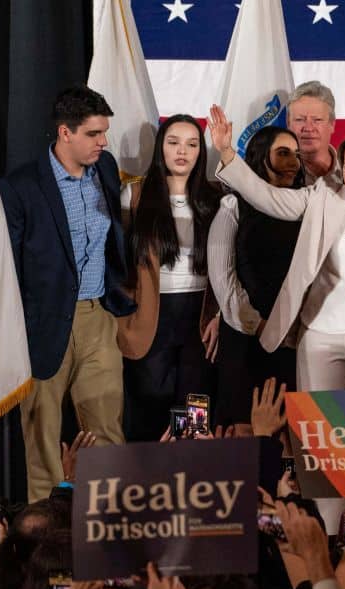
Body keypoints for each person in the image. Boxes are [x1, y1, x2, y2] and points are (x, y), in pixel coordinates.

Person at [208, 109, 345, 532]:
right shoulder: (324, 198)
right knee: (323, 448)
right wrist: (226, 154)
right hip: (319, 335)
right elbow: (270, 198)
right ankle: (325, 537)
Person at [0, 85, 135, 502]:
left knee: (107, 430)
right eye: (94, 134)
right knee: (42, 438)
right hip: (43, 325)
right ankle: (46, 537)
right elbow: (9, 267)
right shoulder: (21, 186)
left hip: (98, 319)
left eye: (104, 132)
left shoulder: (106, 169)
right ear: (65, 133)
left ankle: (112, 526)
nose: (104, 142)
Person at [118, 114, 222, 441]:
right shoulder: (134, 195)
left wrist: (218, 314)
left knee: (194, 403)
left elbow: (227, 265)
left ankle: (188, 475)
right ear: (161, 147)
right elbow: (118, 260)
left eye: (192, 144)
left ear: (200, 153)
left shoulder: (215, 198)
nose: (182, 151)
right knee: (149, 397)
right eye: (173, 142)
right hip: (151, 312)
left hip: (199, 315)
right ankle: (148, 480)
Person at [208, 125, 303, 429]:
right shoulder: (233, 206)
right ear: (262, 157)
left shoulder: (306, 208)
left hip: (291, 342)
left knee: (290, 432)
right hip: (245, 338)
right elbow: (223, 279)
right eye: (283, 153)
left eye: (297, 155)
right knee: (243, 432)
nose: (294, 162)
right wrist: (258, 324)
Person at [287, 81, 342, 187]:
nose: (308, 128)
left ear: (332, 124)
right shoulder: (275, 177)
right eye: (299, 119)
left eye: (317, 120)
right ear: (288, 124)